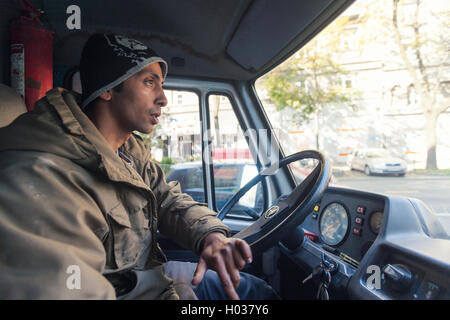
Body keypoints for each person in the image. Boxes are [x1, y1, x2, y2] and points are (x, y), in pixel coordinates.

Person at [0, 33, 278, 300]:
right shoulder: (43, 176)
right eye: (149, 82)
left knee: (256, 292)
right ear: (108, 89)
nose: (163, 98)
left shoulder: (127, 150)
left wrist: (211, 235)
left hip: (153, 279)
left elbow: (167, 198)